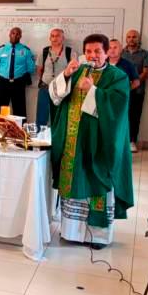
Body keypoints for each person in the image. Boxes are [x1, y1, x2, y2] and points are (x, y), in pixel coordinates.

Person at [48, 33, 134, 248]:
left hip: (99, 143)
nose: (93, 55)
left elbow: (117, 107)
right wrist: (66, 76)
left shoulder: (117, 76)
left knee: (98, 182)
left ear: (107, 52)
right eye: (88, 51)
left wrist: (93, 91)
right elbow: (56, 96)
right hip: (74, 141)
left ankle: (98, 235)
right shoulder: (78, 71)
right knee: (75, 180)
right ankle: (72, 233)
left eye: (97, 51)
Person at [0, 27, 35, 120]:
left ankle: (19, 133)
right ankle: (0, 132)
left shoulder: (26, 50)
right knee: (1, 110)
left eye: (18, 34)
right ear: (9, 34)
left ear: (20, 36)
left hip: (18, 83)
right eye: (13, 33)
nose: (15, 35)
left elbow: (31, 68)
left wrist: (22, 75)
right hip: (3, 83)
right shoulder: (1, 49)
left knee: (20, 110)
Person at [121, 29, 148, 153]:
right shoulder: (121, 53)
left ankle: (131, 141)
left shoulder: (144, 54)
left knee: (134, 116)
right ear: (126, 39)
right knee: (122, 115)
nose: (131, 39)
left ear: (138, 39)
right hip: (121, 90)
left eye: (134, 37)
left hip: (137, 90)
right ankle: (121, 140)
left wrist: (133, 82)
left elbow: (146, 72)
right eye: (129, 37)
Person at [36, 28, 73, 127]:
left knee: (59, 116)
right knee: (41, 116)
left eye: (57, 36)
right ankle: (40, 140)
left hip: (62, 89)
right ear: (49, 38)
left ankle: (57, 139)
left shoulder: (70, 52)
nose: (54, 38)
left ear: (63, 38)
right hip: (45, 88)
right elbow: (40, 69)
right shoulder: (44, 51)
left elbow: (73, 71)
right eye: (52, 36)